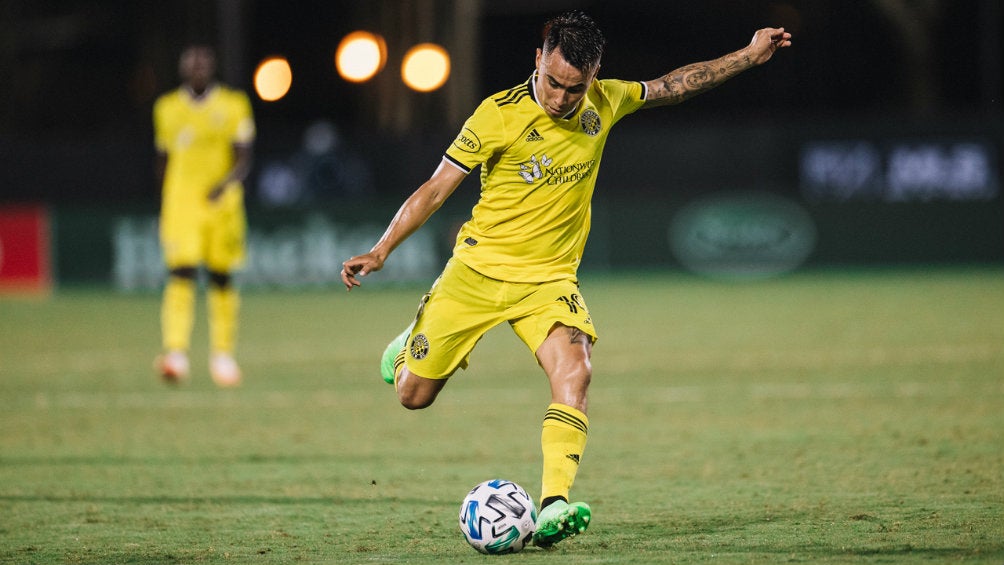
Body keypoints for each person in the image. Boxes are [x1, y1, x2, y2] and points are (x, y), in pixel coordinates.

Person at [341, 11, 791, 547]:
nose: (560, 97)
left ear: (594, 75)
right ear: (538, 60)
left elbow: (674, 86)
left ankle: (554, 502)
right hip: (476, 273)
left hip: (549, 281)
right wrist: (382, 248)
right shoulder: (496, 115)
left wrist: (746, 55)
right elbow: (436, 189)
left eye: (574, 88)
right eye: (553, 82)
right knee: (413, 396)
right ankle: (410, 344)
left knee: (575, 372)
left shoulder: (605, 101)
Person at [152, 44, 255, 387]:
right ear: (183, 69)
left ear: (211, 68)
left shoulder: (233, 104)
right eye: (191, 63)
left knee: (221, 278)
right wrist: (163, 203)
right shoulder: (166, 108)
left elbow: (243, 159)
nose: (197, 69)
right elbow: (163, 159)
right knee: (180, 273)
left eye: (203, 64)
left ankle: (223, 356)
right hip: (181, 203)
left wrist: (222, 186)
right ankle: (175, 353)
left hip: (222, 203)